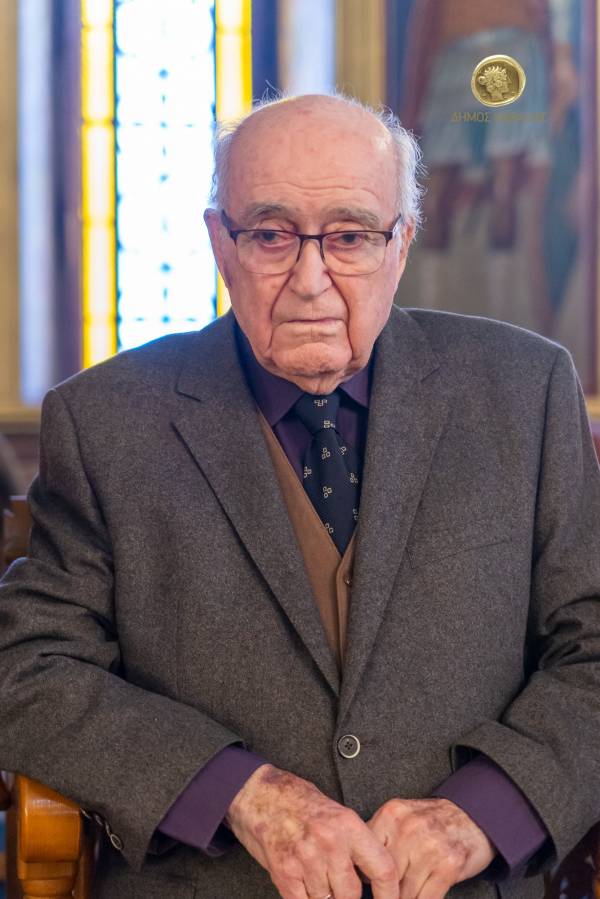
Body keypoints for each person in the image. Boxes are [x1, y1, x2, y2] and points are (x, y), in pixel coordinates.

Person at [0, 93, 599, 899]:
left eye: (349, 236)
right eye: (272, 234)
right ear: (222, 244)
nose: (311, 281)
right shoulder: (106, 420)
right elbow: (28, 667)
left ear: (401, 244)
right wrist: (238, 792)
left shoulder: (525, 391)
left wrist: (489, 810)